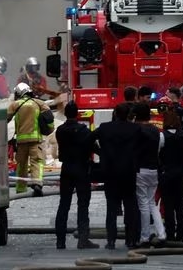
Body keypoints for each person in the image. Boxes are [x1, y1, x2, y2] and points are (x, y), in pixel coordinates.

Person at [93, 103, 141, 249]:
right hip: (128, 171)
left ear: (114, 113)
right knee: (130, 206)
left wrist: (101, 152)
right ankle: (131, 238)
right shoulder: (135, 129)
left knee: (111, 207)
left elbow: (89, 139)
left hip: (110, 171)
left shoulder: (105, 127)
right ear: (128, 115)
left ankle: (111, 239)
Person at [54, 102, 98, 250]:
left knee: (64, 204)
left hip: (66, 168)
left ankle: (60, 241)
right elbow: (94, 148)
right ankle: (83, 239)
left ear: (65, 114)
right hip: (81, 168)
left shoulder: (60, 130)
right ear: (77, 114)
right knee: (83, 204)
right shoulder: (83, 131)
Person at [7, 82, 54, 197]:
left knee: (21, 164)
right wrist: (49, 130)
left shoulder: (15, 105)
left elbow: (4, 119)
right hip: (36, 140)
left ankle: (21, 188)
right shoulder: (39, 103)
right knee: (37, 162)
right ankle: (37, 183)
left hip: (21, 142)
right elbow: (49, 117)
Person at [133, 103, 166, 247]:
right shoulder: (156, 131)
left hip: (141, 169)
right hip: (154, 169)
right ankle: (161, 233)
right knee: (152, 203)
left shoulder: (136, 130)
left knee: (143, 204)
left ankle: (145, 237)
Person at [160, 109, 183, 242]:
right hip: (181, 174)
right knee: (180, 205)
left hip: (167, 174)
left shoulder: (162, 136)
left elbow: (158, 154)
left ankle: (170, 234)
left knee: (168, 206)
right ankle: (181, 236)